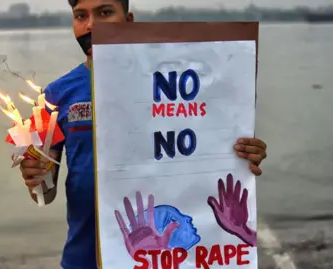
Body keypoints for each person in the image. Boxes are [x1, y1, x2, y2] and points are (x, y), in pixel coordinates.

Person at [19, 0, 268, 268]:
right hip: (86, 257)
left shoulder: (175, 83)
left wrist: (243, 155)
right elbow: (44, 192)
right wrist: (35, 176)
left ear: (129, 20)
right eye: (80, 16)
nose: (91, 25)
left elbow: (211, 140)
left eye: (105, 13)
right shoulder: (56, 96)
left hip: (167, 258)